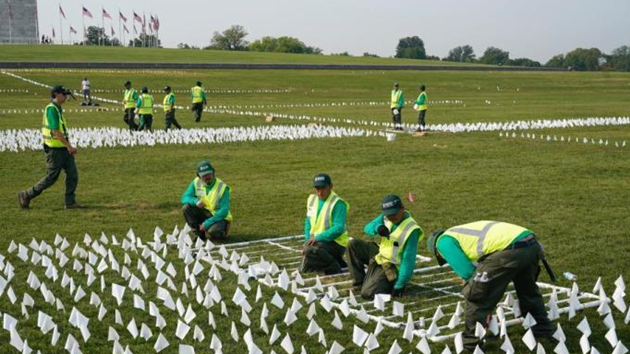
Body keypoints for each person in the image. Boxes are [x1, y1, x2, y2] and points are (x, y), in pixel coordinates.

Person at [426, 221, 555, 352]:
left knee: (475, 295)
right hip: (531, 243)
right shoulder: (459, 232)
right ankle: (543, 329)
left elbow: (467, 272)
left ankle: (470, 344)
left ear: (437, 252)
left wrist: (475, 285)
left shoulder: (442, 242)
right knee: (528, 291)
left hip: (510, 250)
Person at [348, 195, 423, 299]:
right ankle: (359, 284)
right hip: (380, 255)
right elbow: (367, 227)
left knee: (367, 294)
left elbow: (408, 261)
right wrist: (378, 227)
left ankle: (391, 281)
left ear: (402, 208)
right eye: (388, 215)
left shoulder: (411, 230)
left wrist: (400, 285)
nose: (391, 217)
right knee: (354, 245)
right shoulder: (385, 217)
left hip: (391, 265)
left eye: (394, 213)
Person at [18, 85, 80, 210]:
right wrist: (69, 146)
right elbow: (56, 131)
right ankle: (26, 195)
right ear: (57, 94)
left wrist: (67, 147)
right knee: (51, 177)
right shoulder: (51, 109)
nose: (66, 96)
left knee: (73, 174)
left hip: (63, 148)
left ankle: (70, 202)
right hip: (55, 150)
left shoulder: (58, 108)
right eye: (64, 94)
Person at [300, 173, 349, 275]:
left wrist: (318, 238)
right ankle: (339, 263)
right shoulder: (312, 199)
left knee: (310, 250)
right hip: (319, 241)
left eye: (323, 188)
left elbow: (338, 228)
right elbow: (308, 221)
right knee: (305, 269)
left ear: (330, 186)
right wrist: (307, 240)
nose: (320, 192)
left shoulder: (338, 203)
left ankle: (334, 267)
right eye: (317, 188)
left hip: (336, 243)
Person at [181, 160, 232, 241]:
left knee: (214, 233)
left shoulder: (222, 187)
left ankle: (222, 232)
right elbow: (185, 197)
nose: (207, 177)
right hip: (205, 212)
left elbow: (224, 210)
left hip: (219, 217)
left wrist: (207, 223)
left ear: (213, 173)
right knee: (186, 208)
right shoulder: (196, 182)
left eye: (209, 174)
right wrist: (195, 201)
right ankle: (198, 234)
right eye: (204, 175)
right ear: (199, 176)